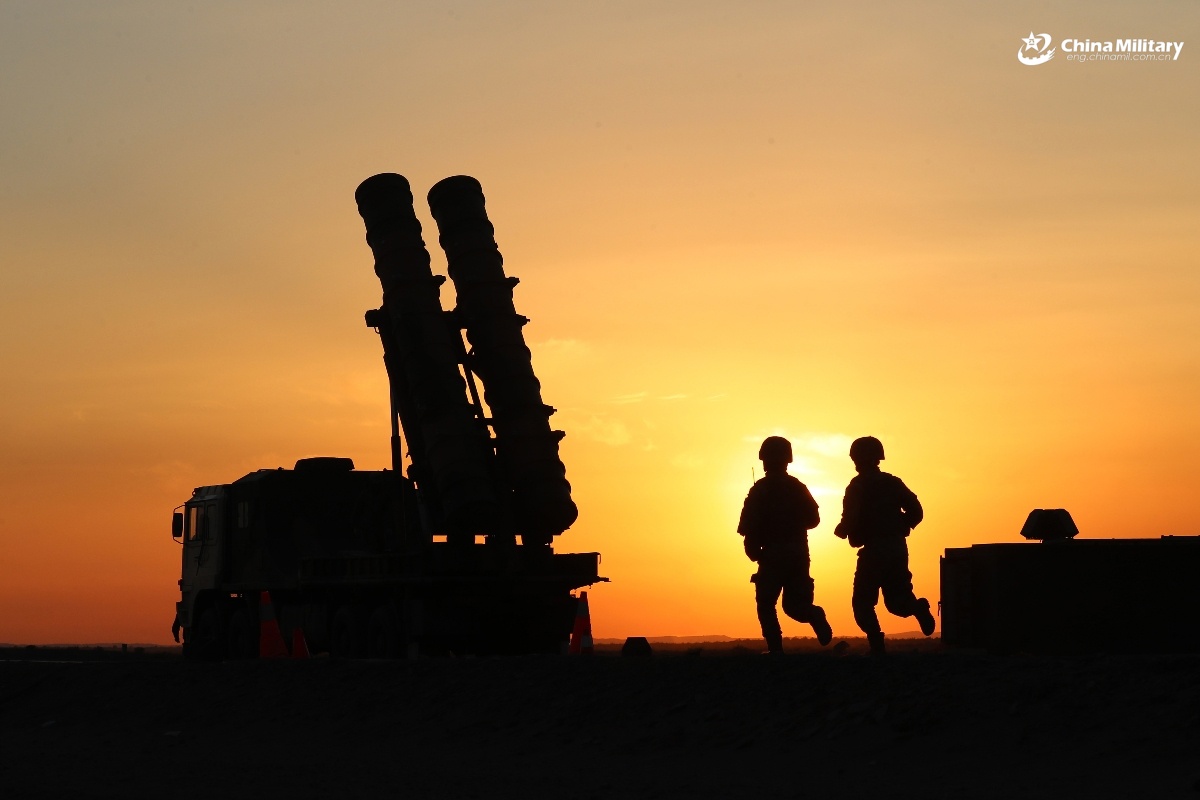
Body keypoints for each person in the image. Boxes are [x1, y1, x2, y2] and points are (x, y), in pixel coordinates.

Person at [834, 436, 936, 655]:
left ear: (857, 459)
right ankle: (916, 607)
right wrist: (901, 526)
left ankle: (877, 647)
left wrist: (842, 529)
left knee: (862, 603)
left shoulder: (857, 486)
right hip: (897, 549)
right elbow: (917, 511)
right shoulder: (893, 483)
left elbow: (850, 518)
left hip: (873, 551)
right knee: (898, 602)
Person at [738, 436, 833, 654]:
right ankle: (813, 615)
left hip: (772, 555)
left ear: (764, 459)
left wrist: (754, 549)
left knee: (766, 604)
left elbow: (748, 527)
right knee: (794, 607)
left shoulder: (760, 490)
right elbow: (814, 519)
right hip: (798, 554)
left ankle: (776, 650)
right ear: (787, 459)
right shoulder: (797, 487)